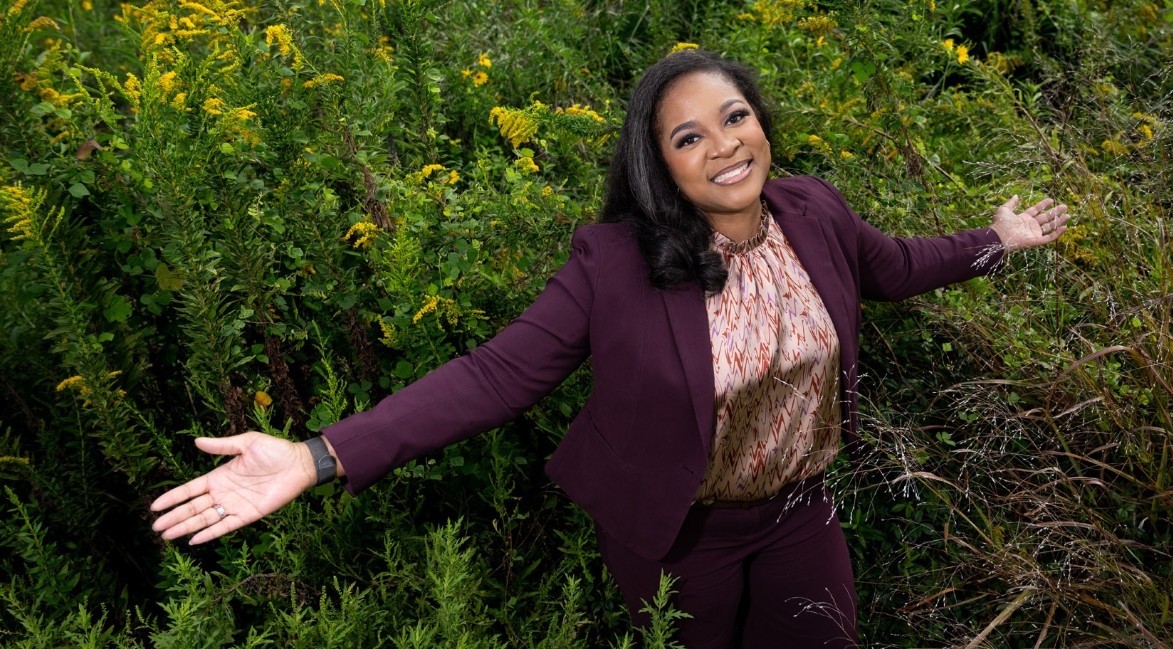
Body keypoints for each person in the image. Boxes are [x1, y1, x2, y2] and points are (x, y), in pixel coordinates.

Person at [151, 50, 1069, 648]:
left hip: (800, 515)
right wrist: (318, 454)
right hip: (680, 539)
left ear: (763, 122)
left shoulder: (814, 211)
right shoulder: (617, 265)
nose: (724, 146)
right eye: (689, 136)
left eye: (736, 117)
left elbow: (896, 265)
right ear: (659, 165)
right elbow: (495, 374)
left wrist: (997, 242)